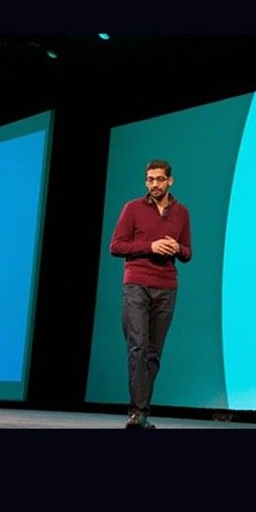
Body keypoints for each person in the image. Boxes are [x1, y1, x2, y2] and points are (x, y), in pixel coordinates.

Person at [109, 159, 192, 429]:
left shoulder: (182, 212)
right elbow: (116, 246)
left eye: (159, 179)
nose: (154, 184)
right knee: (138, 347)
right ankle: (137, 413)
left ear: (170, 181)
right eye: (149, 179)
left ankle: (140, 412)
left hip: (167, 287)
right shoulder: (132, 208)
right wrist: (151, 246)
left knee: (154, 352)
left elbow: (188, 253)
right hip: (137, 284)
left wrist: (177, 248)